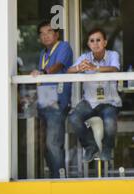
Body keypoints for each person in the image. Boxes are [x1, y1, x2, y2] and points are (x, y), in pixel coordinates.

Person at [67, 28, 122, 162]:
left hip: (109, 102)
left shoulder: (113, 54)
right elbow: (69, 71)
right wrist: (79, 68)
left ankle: (107, 148)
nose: (95, 43)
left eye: (98, 40)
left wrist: (94, 68)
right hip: (89, 102)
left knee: (109, 122)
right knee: (73, 118)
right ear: (88, 44)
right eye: (92, 41)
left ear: (105, 42)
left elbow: (115, 69)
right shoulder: (85, 57)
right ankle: (90, 146)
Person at [30, 21, 73, 178]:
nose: (45, 35)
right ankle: (52, 178)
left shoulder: (64, 46)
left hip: (57, 104)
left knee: (53, 143)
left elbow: (58, 65)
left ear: (57, 34)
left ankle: (60, 179)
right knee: (44, 146)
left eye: (49, 32)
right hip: (43, 103)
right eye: (42, 33)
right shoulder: (43, 54)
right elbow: (42, 78)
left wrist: (43, 72)